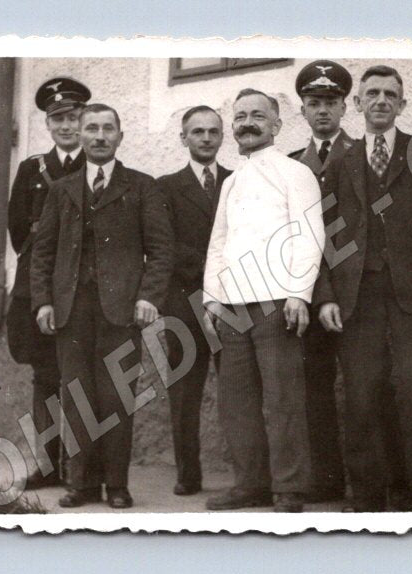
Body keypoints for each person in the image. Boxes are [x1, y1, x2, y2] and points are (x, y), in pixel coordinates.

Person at [313, 65, 412, 512]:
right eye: (371, 94)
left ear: (402, 104)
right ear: (356, 104)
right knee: (362, 396)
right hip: (357, 297)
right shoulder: (340, 160)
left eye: (390, 95)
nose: (380, 101)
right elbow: (321, 233)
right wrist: (327, 295)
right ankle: (369, 497)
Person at [31, 103, 174, 509]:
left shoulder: (142, 187)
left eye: (107, 129)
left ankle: (116, 485)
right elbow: (43, 254)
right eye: (90, 128)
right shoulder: (61, 190)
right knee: (76, 396)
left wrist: (148, 297)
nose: (98, 136)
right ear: (80, 135)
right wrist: (43, 302)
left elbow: (161, 250)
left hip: (121, 310)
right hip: (70, 310)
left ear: (120, 137)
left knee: (116, 399)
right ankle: (82, 484)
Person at [202, 89, 325, 513]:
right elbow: (219, 242)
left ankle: (289, 488)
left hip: (276, 303)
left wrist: (298, 294)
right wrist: (214, 299)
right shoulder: (231, 182)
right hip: (233, 307)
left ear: (276, 125)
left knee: (282, 400)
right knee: (237, 403)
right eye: (240, 117)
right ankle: (249, 484)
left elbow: (310, 234)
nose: (247, 123)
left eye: (258, 115)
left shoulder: (295, 172)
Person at [6, 76, 90, 489]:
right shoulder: (32, 169)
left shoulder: (97, 166)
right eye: (58, 118)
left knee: (82, 375)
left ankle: (80, 467)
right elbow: (18, 228)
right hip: (38, 289)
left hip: (81, 290)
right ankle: (49, 464)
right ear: (48, 125)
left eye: (73, 117)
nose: (67, 126)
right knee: (44, 376)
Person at [287, 60, 355, 503]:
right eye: (314, 103)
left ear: (345, 107)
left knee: (362, 387)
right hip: (311, 290)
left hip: (355, 289)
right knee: (313, 386)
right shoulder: (294, 164)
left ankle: (369, 481)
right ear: (303, 111)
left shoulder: (363, 153)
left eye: (331, 102)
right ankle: (326, 478)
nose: (323, 111)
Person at [159, 105, 231, 496]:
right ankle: (188, 474)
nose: (206, 138)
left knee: (237, 388)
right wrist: (211, 271)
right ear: (183, 138)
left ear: (223, 137)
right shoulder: (166, 186)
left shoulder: (238, 181)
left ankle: (248, 475)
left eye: (213, 131)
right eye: (197, 131)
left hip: (233, 302)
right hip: (185, 302)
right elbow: (164, 245)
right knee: (185, 394)